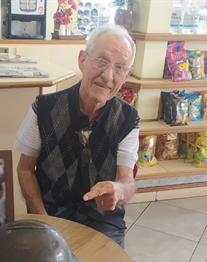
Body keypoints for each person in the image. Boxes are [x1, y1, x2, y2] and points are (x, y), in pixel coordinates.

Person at [13, 24, 139, 248]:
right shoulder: (43, 108)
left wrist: (119, 191)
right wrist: (44, 221)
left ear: (126, 75)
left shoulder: (128, 118)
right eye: (102, 61)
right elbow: (24, 169)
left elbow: (127, 180)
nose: (108, 76)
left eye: (120, 68)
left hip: (103, 221)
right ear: (83, 60)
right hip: (51, 213)